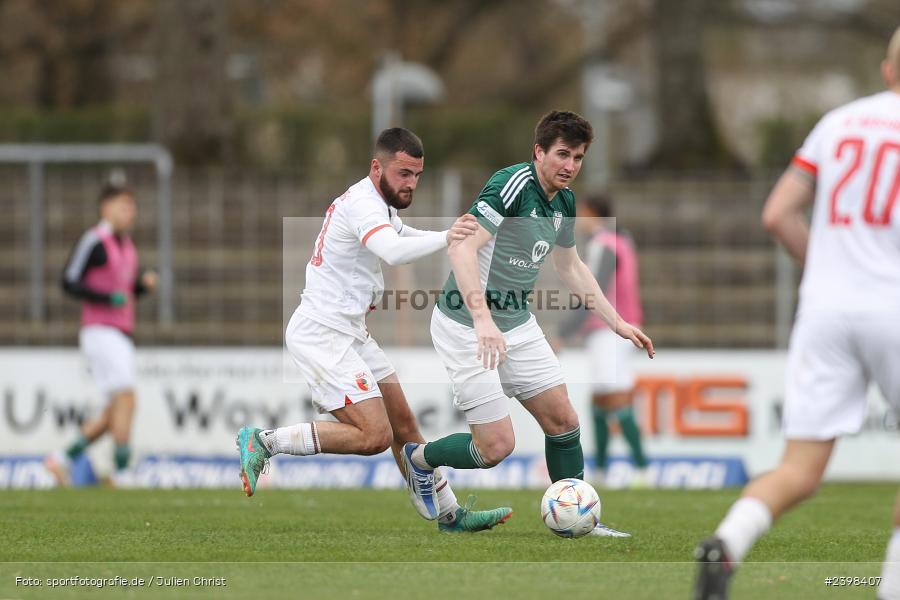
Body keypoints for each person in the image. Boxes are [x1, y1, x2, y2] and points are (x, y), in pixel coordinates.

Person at [694, 26, 900, 600]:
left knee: (799, 467)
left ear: (887, 70)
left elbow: (778, 213)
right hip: (894, 306)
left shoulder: (837, 123)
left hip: (825, 309)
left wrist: (828, 270)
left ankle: (727, 543)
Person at [236, 127, 512, 533]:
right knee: (374, 436)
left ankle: (451, 516)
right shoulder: (364, 204)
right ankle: (264, 442)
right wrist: (448, 239)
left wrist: (448, 235)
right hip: (322, 333)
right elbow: (393, 251)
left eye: (417, 175)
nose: (411, 183)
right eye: (403, 173)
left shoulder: (378, 205)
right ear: (376, 167)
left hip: (350, 331)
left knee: (404, 423)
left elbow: (400, 234)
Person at [402, 111, 654, 537]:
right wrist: (482, 319)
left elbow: (569, 266)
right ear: (538, 152)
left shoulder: (566, 202)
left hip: (516, 324)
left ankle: (576, 518)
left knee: (564, 421)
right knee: (496, 447)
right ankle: (419, 460)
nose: (569, 166)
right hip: (466, 324)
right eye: (561, 154)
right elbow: (461, 250)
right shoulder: (512, 186)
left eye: (577, 157)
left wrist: (616, 322)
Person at [45, 182, 157, 485]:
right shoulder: (94, 241)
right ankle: (121, 473)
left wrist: (140, 287)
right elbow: (69, 281)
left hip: (120, 332)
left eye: (131, 206)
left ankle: (60, 459)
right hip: (100, 330)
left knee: (115, 410)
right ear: (105, 208)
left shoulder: (127, 245)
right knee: (127, 399)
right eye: (123, 205)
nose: (130, 212)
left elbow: (124, 292)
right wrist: (107, 299)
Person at [556, 194, 650, 489]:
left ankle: (642, 469)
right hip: (621, 326)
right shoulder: (623, 241)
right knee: (600, 400)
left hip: (611, 330)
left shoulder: (602, 244)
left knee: (615, 397)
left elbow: (591, 291)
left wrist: (564, 332)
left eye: (581, 213)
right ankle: (601, 469)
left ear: (591, 213)